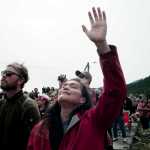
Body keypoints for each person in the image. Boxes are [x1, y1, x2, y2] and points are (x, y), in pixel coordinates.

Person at [27, 7, 126, 150]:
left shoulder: (94, 120)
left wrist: (102, 46)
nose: (66, 86)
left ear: (83, 99)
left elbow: (115, 92)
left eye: (73, 86)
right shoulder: (40, 128)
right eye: (65, 85)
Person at [0, 62, 41, 150]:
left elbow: (34, 143)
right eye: (3, 73)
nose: (3, 76)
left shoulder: (28, 106)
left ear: (21, 80)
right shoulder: (2, 103)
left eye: (8, 74)